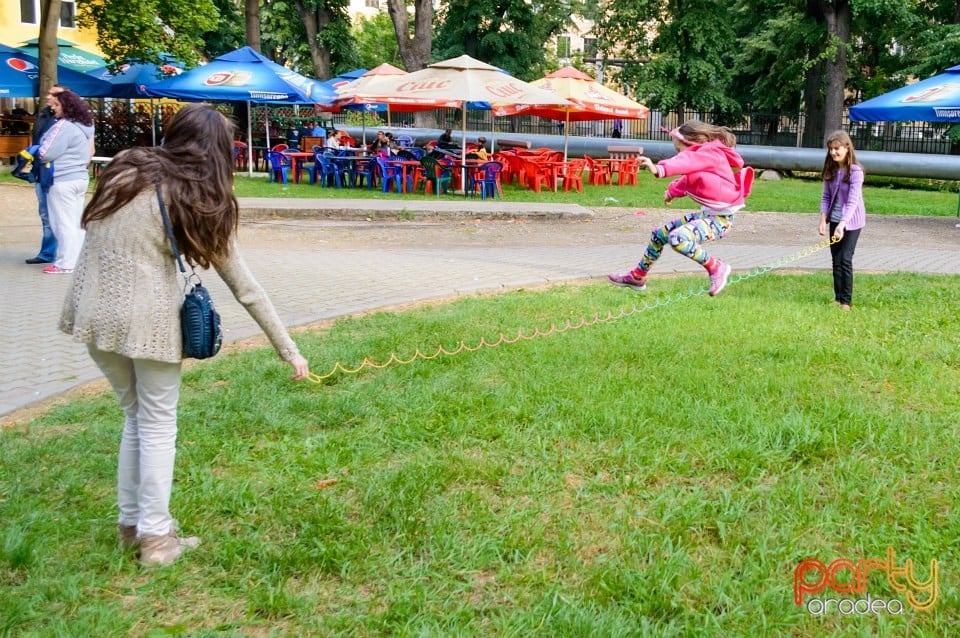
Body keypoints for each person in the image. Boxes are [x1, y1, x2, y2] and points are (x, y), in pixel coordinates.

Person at [59, 104, 311, 567]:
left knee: (135, 417)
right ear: (217, 152)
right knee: (156, 423)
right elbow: (246, 288)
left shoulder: (123, 168)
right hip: (147, 325)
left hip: (92, 314)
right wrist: (289, 350)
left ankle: (132, 525)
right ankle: (157, 539)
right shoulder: (197, 198)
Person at [608, 121, 754, 296]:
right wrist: (671, 192)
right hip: (706, 216)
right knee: (659, 235)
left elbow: (686, 160)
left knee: (678, 238)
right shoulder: (702, 160)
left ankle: (717, 267)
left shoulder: (709, 153)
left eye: (678, 150)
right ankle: (637, 277)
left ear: (692, 144)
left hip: (720, 222)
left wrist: (659, 168)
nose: (677, 154)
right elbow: (688, 180)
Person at [37, 87, 95, 275]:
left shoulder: (64, 126)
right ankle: (78, 259)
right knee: (76, 221)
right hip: (80, 177)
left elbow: (46, 153)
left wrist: (36, 151)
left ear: (66, 106)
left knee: (62, 223)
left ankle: (65, 263)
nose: (54, 109)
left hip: (62, 179)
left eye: (56, 105)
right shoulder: (86, 125)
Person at [819, 130, 866, 311]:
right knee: (835, 260)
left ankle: (846, 301)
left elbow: (853, 201)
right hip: (835, 220)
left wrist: (843, 224)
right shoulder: (831, 170)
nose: (833, 153)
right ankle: (838, 298)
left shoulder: (856, 172)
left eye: (837, 149)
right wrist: (823, 219)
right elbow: (825, 197)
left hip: (852, 223)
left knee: (845, 259)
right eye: (831, 149)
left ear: (847, 148)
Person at [25, 87, 63, 265]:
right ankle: (47, 252)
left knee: (61, 214)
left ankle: (65, 252)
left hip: (57, 171)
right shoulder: (44, 116)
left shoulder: (69, 121)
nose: (48, 97)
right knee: (45, 213)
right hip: (40, 170)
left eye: (53, 95)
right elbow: (37, 141)